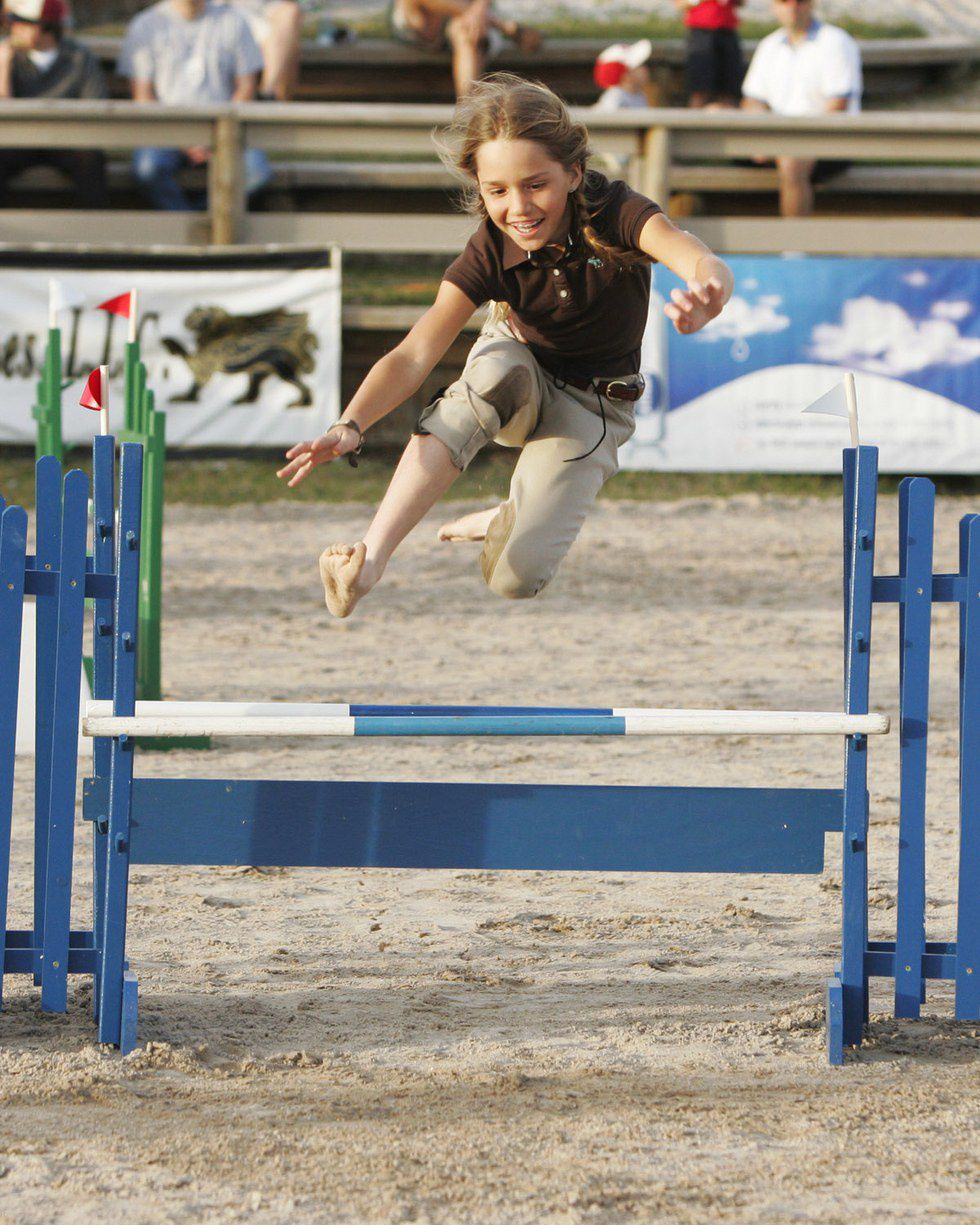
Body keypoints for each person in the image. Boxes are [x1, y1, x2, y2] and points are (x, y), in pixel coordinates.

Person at [277, 74, 733, 619]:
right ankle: (370, 560)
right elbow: (414, 353)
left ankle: (508, 518)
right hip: (519, 372)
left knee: (515, 577)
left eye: (535, 185)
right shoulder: (490, 250)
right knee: (494, 375)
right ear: (480, 188)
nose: (519, 207)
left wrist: (709, 292)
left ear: (574, 173)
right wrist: (350, 425)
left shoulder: (614, 210)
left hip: (594, 405)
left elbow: (694, 255)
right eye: (497, 191)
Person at [118, 0, 271, 211]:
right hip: (164, 132)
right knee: (148, 168)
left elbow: (246, 87)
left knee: (256, 173)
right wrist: (182, 139)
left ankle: (200, 221)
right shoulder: (145, 25)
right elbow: (143, 96)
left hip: (226, 130)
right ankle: (202, 223)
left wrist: (218, 136)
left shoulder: (234, 21)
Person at [741, 0, 862, 216]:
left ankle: (793, 238)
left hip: (830, 141)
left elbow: (837, 106)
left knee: (792, 162)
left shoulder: (836, 42)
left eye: (800, 1)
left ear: (812, 4)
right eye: (784, 1)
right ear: (774, 6)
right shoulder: (769, 44)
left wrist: (785, 143)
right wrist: (762, 135)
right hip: (777, 140)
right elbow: (752, 100)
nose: (792, 7)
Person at [0, 0, 108, 206]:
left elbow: (95, 106)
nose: (14, 28)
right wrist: (3, 67)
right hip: (18, 140)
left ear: (46, 27)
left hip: (66, 141)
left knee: (90, 159)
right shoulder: (7, 55)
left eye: (23, 23)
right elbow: (3, 112)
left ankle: (95, 225)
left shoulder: (79, 57)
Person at [390, 0, 541, 98]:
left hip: (467, 25)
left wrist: (478, 10)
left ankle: (467, 111)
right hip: (420, 19)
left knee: (466, 31)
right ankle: (503, 25)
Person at [673, 0, 744, 109]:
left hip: (727, 33)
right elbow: (680, 4)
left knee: (728, 92)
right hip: (701, 33)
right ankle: (695, 119)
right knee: (700, 90)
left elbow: (742, 3)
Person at [228, 0, 301, 101]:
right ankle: (268, 96)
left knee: (290, 14)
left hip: (264, 13)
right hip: (226, 12)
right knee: (278, 41)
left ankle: (267, 94)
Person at [592, 39, 652, 112]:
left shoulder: (639, 95)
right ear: (625, 75)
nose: (645, 69)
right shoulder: (615, 99)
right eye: (639, 66)